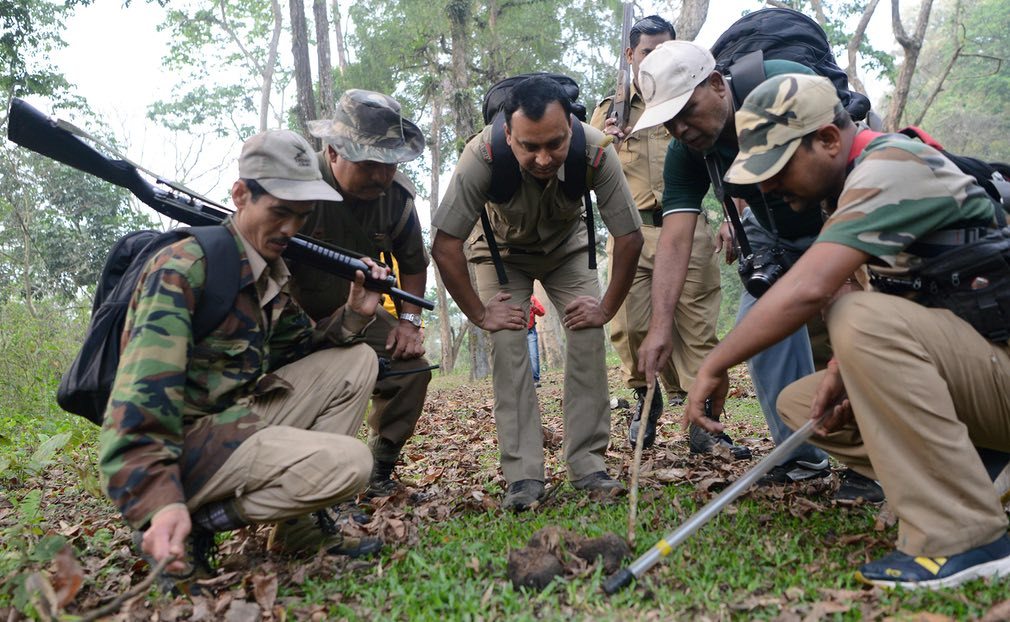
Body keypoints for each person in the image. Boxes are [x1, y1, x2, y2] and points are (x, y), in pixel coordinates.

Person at [688, 72, 1010, 589]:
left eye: (777, 167)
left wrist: (713, 363)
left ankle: (965, 536)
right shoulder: (848, 189)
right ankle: (981, 472)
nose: (767, 187)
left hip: (998, 365)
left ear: (828, 140)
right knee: (806, 407)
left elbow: (811, 287)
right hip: (981, 370)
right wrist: (846, 368)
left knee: (853, 320)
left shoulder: (892, 164)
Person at [99, 129, 387, 578]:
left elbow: (301, 350)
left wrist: (353, 313)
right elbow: (136, 407)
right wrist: (159, 503)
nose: (290, 229)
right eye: (279, 212)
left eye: (301, 216)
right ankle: (194, 525)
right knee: (352, 464)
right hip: (187, 447)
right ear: (240, 195)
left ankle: (298, 528)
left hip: (238, 420)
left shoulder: (269, 271)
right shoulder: (186, 269)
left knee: (358, 361)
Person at [632, 40, 878, 494]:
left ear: (715, 84)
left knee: (854, 326)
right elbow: (675, 236)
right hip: (772, 228)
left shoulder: (780, 82)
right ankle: (800, 458)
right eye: (669, 122)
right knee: (760, 324)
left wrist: (844, 277)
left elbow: (842, 153)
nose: (681, 129)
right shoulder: (687, 151)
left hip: (843, 208)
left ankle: (876, 462)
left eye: (687, 111)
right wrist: (660, 326)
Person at [431, 75, 644, 512]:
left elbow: (630, 237)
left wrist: (606, 308)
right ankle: (524, 475)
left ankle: (588, 465)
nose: (543, 158)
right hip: (500, 255)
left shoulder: (597, 149)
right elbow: (444, 243)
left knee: (586, 334)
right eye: (529, 147)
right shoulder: (482, 155)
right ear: (509, 135)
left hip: (568, 249)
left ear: (570, 126)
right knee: (510, 345)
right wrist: (478, 313)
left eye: (555, 144)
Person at [590, 16, 721, 450]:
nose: (657, 59)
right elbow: (580, 175)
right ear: (630, 56)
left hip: (686, 228)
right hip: (630, 235)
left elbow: (720, 157)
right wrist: (603, 143)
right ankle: (646, 403)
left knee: (696, 328)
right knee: (631, 329)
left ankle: (705, 423)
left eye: (666, 50)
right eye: (648, 52)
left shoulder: (689, 99)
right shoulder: (608, 110)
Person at [294, 89, 432, 497]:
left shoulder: (396, 198)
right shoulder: (297, 183)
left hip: (358, 309)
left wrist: (409, 322)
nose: (380, 176)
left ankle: (377, 472)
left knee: (411, 370)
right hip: (290, 312)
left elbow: (413, 263)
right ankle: (306, 482)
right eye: (368, 163)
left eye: (389, 164)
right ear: (333, 152)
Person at [527, 294, 546, 387]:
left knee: (533, 355)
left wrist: (533, 307)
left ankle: (535, 380)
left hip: (530, 331)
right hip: (516, 332)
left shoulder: (532, 298)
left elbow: (542, 312)